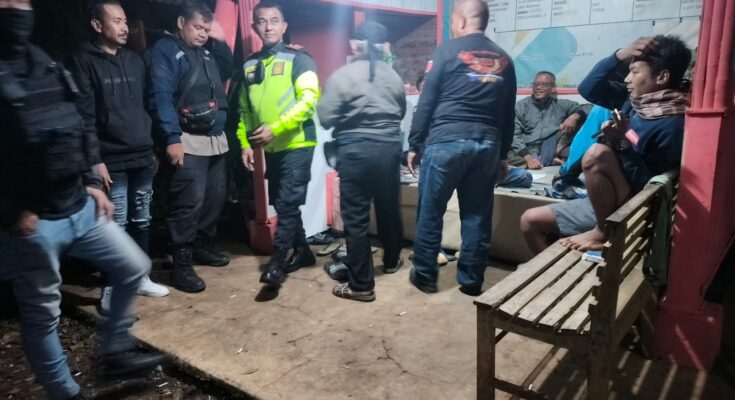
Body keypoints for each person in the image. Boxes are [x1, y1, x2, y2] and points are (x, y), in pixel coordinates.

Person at [0, 1, 167, 399]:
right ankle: (66, 393)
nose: (15, 9)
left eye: (21, 1)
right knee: (43, 316)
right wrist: (10, 211)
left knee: (133, 266)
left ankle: (115, 351)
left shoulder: (41, 61)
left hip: (77, 203)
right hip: (30, 223)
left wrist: (90, 180)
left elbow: (76, 123)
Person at [520, 35, 691, 253]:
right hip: (604, 198)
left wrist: (621, 143)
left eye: (635, 72)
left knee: (597, 154)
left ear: (662, 77)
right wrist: (619, 55)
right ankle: (555, 269)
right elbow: (588, 88)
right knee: (529, 221)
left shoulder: (672, 124)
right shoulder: (634, 103)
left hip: (630, 207)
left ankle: (602, 231)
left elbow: (650, 189)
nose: (627, 79)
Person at [407, 0, 516, 296]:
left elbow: (426, 102)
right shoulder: (505, 59)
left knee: (431, 212)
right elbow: (507, 113)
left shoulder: (446, 51)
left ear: (462, 21)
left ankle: (426, 276)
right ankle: (471, 281)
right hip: (487, 144)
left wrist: (414, 143)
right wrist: (502, 155)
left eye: (453, 21)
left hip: (446, 141)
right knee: (477, 216)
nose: (453, 26)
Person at [69, 0, 169, 309]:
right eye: (117, 21)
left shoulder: (135, 60)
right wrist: (94, 160)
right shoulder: (83, 62)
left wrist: (154, 146)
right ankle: (112, 286)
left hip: (141, 154)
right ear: (97, 25)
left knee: (142, 221)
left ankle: (139, 278)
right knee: (116, 225)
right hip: (110, 159)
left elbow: (148, 105)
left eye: (125, 21)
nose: (125, 27)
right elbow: (84, 117)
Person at [145, 0, 233, 293]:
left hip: (215, 140)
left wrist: (221, 42)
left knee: (213, 199)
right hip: (187, 140)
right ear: (181, 23)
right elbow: (160, 96)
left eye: (207, 29)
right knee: (187, 203)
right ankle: (181, 265)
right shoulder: (165, 51)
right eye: (198, 27)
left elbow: (226, 69)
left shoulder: (205, 52)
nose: (203, 33)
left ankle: (202, 247)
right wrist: (172, 139)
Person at [317, 21, 406, 302]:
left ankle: (361, 286)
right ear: (384, 47)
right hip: (388, 151)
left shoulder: (342, 76)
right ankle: (391, 261)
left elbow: (326, 117)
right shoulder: (393, 76)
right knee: (389, 208)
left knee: (356, 219)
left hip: (355, 152)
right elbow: (401, 111)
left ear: (354, 45)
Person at [237, 0, 320, 286]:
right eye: (262, 21)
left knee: (287, 202)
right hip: (270, 147)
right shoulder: (249, 65)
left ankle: (276, 263)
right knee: (284, 204)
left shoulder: (300, 59)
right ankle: (303, 252)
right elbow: (245, 110)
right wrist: (245, 144)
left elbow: (308, 102)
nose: (268, 26)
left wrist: (276, 128)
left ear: (284, 26)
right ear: (254, 27)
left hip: (298, 143)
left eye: (274, 21)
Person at [509, 71, 591, 169]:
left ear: (552, 88)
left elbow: (590, 108)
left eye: (543, 84)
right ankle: (546, 160)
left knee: (582, 119)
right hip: (528, 148)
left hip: (552, 145)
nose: (538, 87)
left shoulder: (561, 105)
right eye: (536, 84)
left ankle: (547, 158)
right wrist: (528, 158)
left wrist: (575, 116)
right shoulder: (521, 106)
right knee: (502, 153)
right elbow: (515, 134)